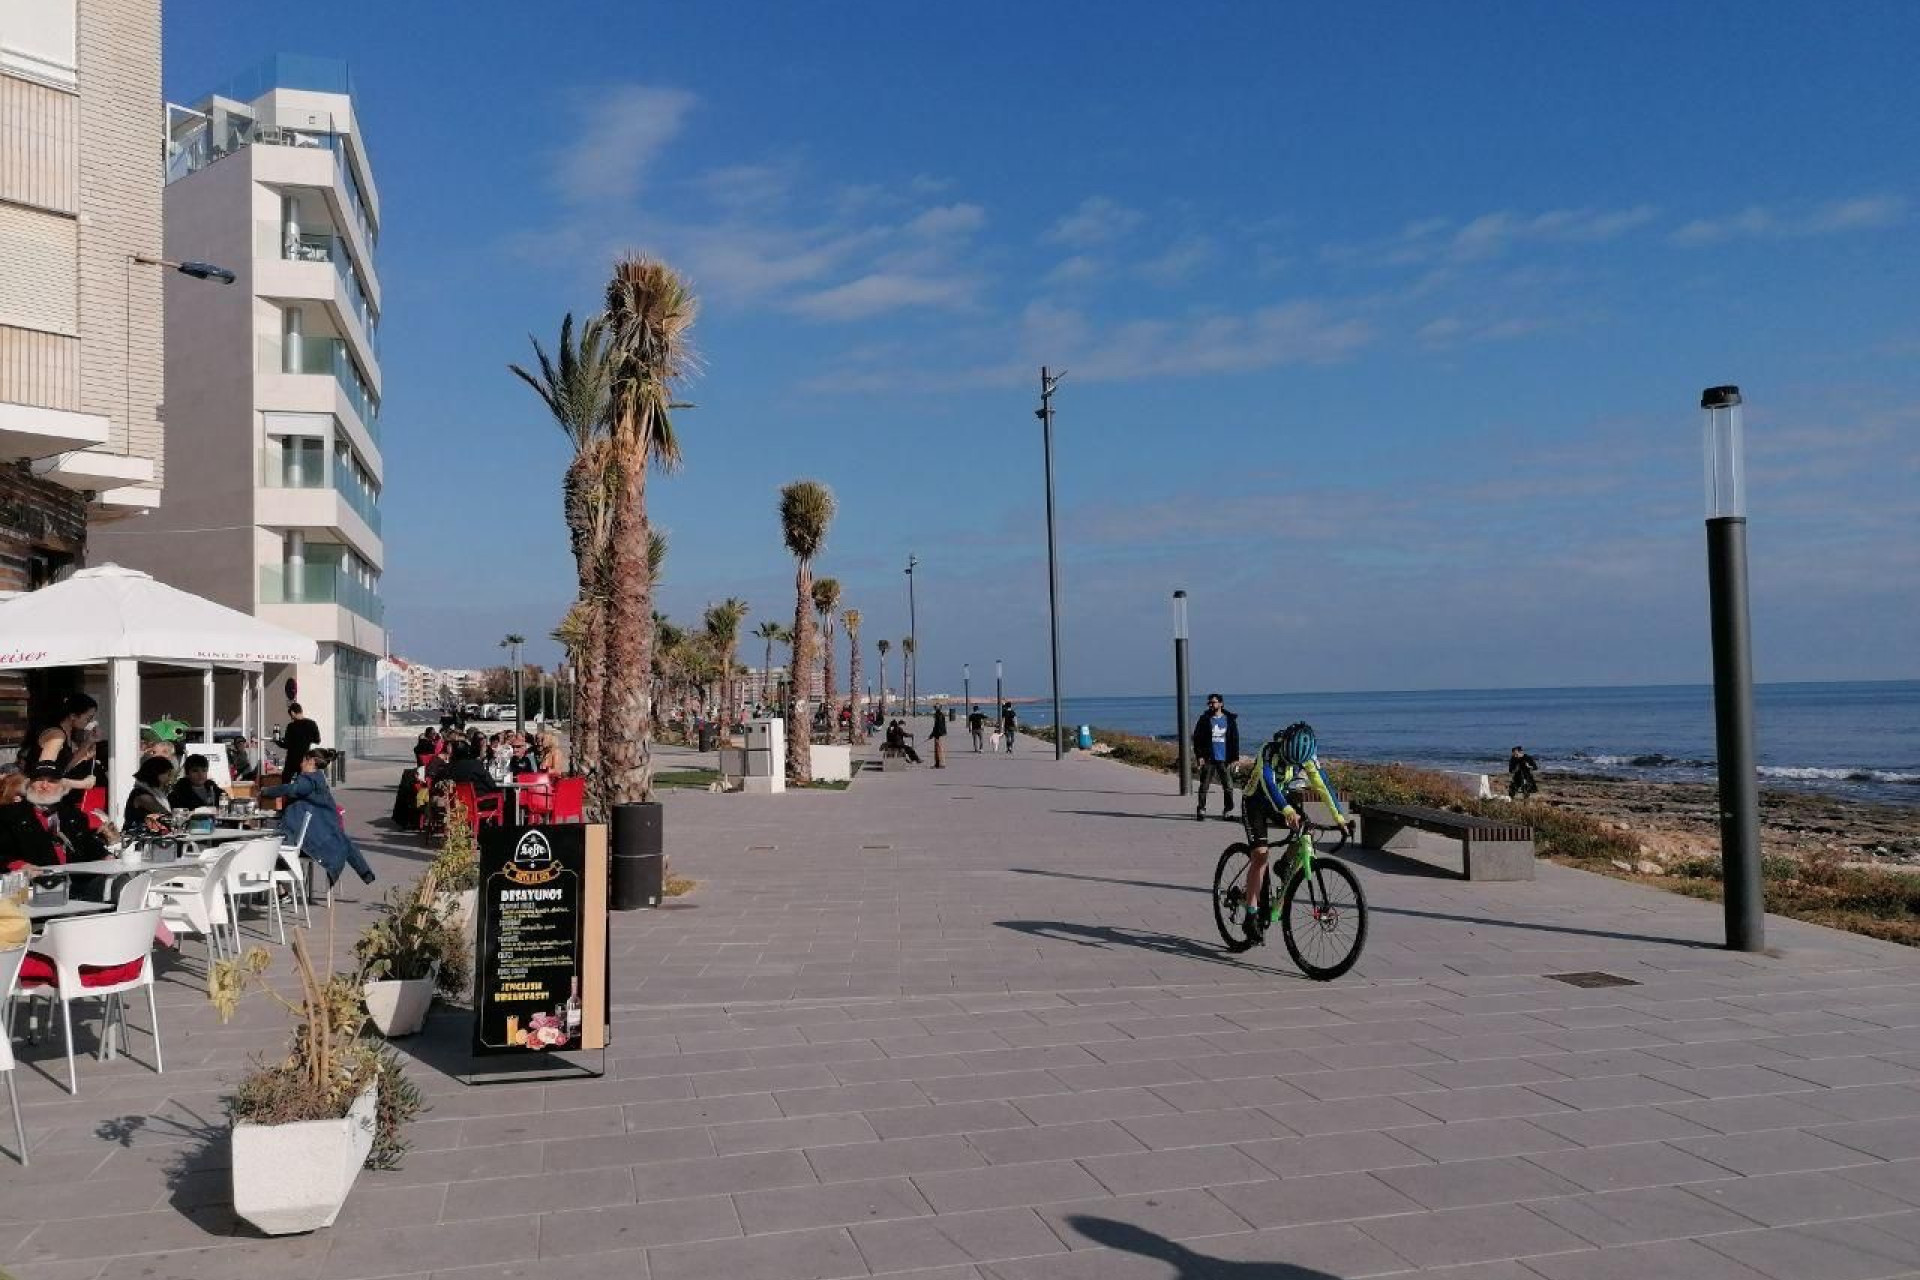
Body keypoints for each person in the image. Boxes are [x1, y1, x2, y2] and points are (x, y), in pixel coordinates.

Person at [1236, 722, 1350, 945]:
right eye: (1291, 761)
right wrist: (1287, 811)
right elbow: (1269, 784)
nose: (1294, 765)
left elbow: (1322, 785)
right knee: (1260, 856)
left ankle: (1285, 864)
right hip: (1256, 802)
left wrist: (1339, 818)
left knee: (1307, 830)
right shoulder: (1268, 751)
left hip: (1281, 801)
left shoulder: (1308, 757)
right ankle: (1250, 914)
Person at [262, 748, 375, 888]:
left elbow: (293, 789)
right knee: (272, 848)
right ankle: (285, 889)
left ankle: (284, 890)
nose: (301, 764)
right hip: (318, 839)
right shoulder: (318, 781)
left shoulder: (309, 781)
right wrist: (366, 873)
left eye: (303, 760)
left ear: (311, 761)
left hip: (309, 843)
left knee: (267, 849)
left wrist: (266, 791)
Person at [18, 692, 99, 800]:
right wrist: (83, 784)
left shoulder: (67, 733)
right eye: (88, 718)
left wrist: (88, 742)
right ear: (73, 716)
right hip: (37, 795)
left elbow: (65, 767)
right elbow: (44, 774)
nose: (90, 722)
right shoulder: (57, 736)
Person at [1190, 694, 1241, 821]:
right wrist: (1199, 756)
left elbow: (1234, 739)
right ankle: (1201, 810)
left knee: (1228, 786)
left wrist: (1235, 758)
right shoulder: (1204, 719)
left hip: (1224, 759)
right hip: (1209, 758)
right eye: (1210, 703)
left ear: (1221, 704)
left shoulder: (1229, 720)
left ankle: (1227, 811)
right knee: (1204, 786)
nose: (1211, 705)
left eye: (1214, 702)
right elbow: (1197, 739)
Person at [124, 756, 176, 835]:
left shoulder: (156, 792)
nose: (169, 777)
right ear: (156, 773)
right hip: (137, 837)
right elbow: (164, 813)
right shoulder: (141, 795)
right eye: (167, 773)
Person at [279, 702, 321, 770]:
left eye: (291, 716)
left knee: (287, 776)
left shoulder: (291, 726)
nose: (291, 718)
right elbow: (317, 741)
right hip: (304, 760)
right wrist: (306, 739)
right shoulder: (312, 724)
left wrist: (277, 741)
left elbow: (286, 745)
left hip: (291, 760)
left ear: (292, 713)